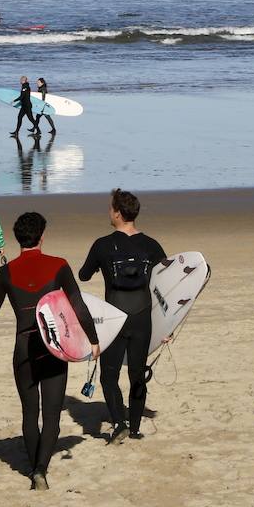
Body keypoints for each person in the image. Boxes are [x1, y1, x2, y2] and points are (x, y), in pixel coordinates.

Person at [0, 212, 100, 490]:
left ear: (17, 238)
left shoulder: (4, 273)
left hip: (24, 348)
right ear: (42, 236)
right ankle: (41, 470)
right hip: (53, 348)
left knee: (29, 413)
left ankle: (34, 467)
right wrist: (93, 341)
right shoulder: (59, 265)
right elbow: (78, 306)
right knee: (52, 416)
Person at [79, 189, 166, 443]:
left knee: (109, 374)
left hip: (114, 319)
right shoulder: (152, 245)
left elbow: (83, 275)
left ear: (117, 213)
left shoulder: (102, 245)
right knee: (137, 374)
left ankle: (119, 423)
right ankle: (136, 428)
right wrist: (168, 325)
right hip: (142, 318)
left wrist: (99, 265)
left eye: (110, 208)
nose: (109, 212)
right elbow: (167, 285)